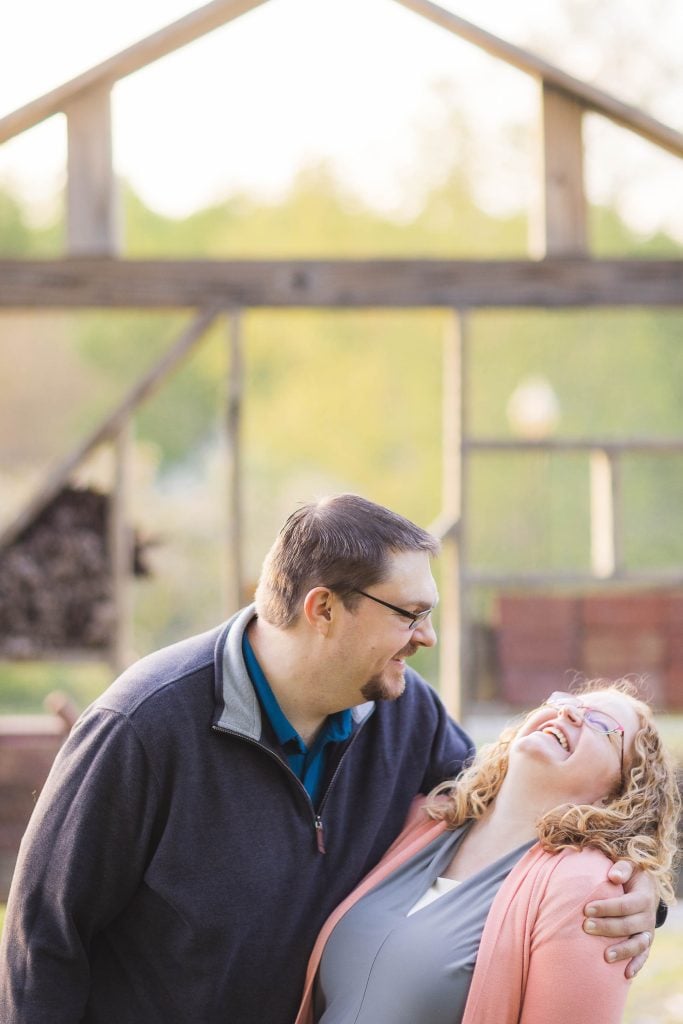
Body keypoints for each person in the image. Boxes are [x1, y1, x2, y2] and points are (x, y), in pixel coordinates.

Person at [0, 496, 661, 1024]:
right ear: (322, 610)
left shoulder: (407, 714)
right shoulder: (142, 727)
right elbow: (43, 940)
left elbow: (511, 813)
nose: (426, 637)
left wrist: (637, 889)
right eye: (410, 614)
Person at [295, 682, 680, 1024]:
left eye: (600, 724)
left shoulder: (588, 889)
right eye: (566, 702)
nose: (570, 713)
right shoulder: (424, 822)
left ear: (624, 791)